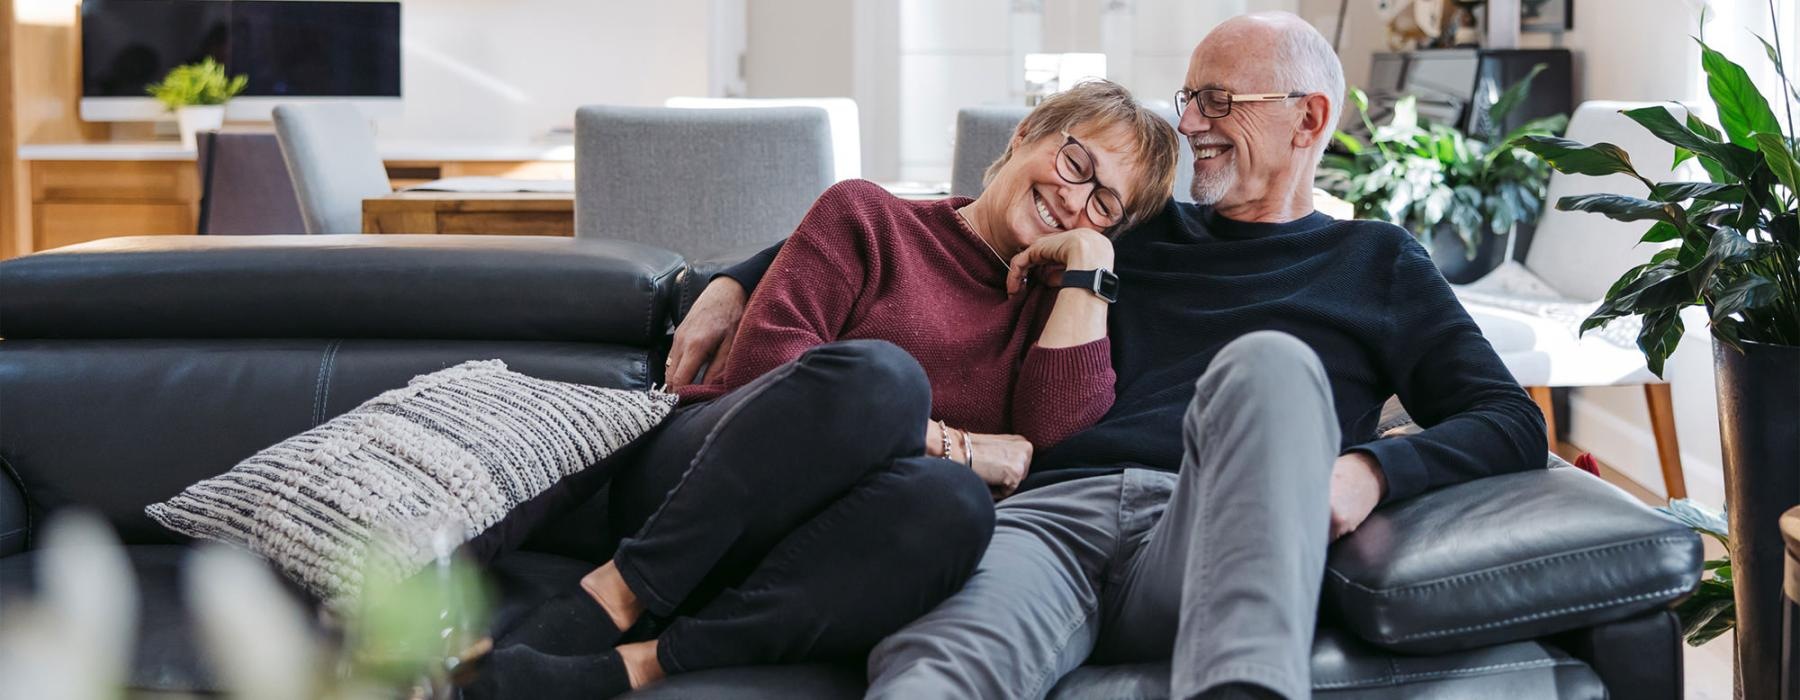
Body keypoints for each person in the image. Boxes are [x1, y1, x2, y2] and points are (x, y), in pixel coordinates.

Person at [668, 13, 1547, 700]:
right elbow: (951, 222)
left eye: (1219, 103)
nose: (1192, 122)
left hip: (1211, 522)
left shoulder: (1379, 263)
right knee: (936, 673)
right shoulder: (1134, 220)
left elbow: (1509, 420)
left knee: (1270, 365)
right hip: (1046, 516)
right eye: (1189, 99)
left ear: (1306, 117)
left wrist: (1366, 472)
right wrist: (732, 277)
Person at [468, 80, 1181, 699]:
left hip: (828, 552)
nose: (1072, 196)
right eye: (1074, 161)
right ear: (1027, 135)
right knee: (881, 379)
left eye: (1103, 205)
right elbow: (768, 374)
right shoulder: (868, 216)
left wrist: (1088, 266)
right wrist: (957, 444)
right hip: (708, 483)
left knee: (956, 508)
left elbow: (1049, 449)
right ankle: (616, 595)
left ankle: (644, 664)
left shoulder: (1061, 313)